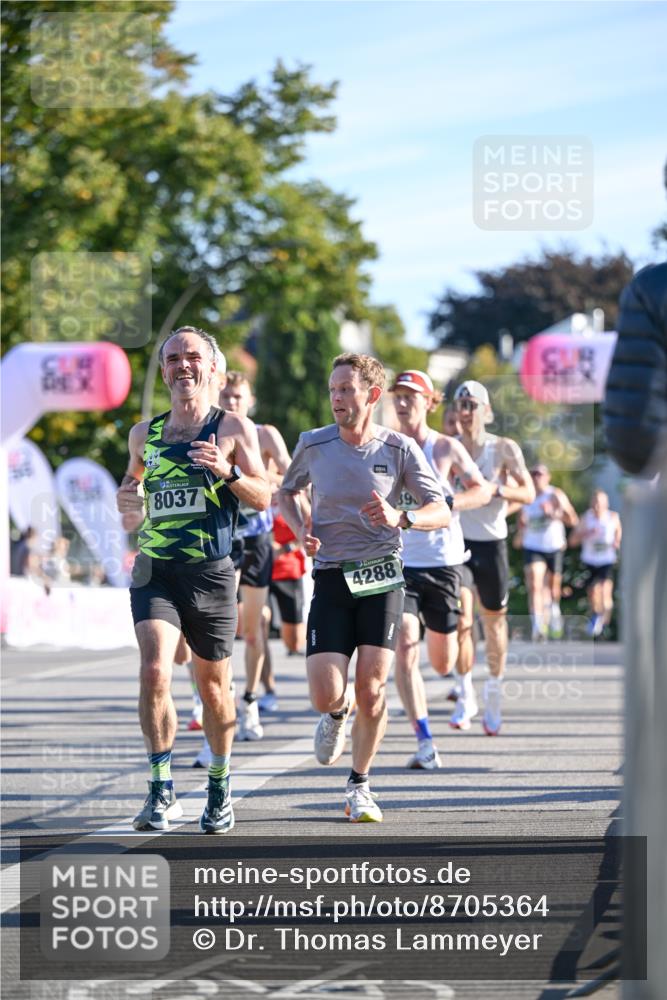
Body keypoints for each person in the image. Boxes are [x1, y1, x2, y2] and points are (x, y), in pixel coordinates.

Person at [279, 353, 450, 822]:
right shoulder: (314, 444)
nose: (336, 398)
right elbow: (286, 491)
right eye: (333, 389)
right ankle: (337, 713)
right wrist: (300, 529)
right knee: (325, 693)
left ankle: (359, 785)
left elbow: (442, 509)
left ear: (371, 395)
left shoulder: (398, 449)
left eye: (346, 389)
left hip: (382, 573)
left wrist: (403, 517)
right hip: (332, 573)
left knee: (373, 687)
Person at [116, 326, 270, 834]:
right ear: (163, 371)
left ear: (211, 368)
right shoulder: (145, 434)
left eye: (192, 357)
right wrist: (127, 498)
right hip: (155, 570)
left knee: (214, 688)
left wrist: (228, 472)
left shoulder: (232, 428)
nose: (183, 366)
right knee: (155, 669)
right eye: (173, 359)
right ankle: (161, 790)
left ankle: (219, 787)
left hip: (211, 573)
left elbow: (263, 497)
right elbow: (133, 482)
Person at [390, 370, 494, 768]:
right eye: (398, 396)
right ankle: (424, 740)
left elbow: (482, 489)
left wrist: (450, 504)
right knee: (403, 647)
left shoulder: (446, 448)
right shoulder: (385, 446)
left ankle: (456, 683)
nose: (403, 403)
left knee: (442, 661)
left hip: (444, 564)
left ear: (430, 402)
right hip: (401, 563)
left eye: (411, 396)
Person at [452, 380, 535, 735]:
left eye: (472, 404)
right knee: (461, 620)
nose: (466, 411)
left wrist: (497, 491)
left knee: (494, 623)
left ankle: (495, 692)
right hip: (458, 545)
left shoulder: (503, 448)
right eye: (461, 405)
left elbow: (529, 491)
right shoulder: (448, 448)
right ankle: (465, 692)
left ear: (486, 410)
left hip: (493, 544)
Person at [219, 372, 292, 741]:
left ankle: (250, 699)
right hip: (222, 539)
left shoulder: (265, 434)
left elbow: (292, 473)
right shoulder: (211, 433)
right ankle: (220, 699)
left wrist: (261, 479)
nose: (231, 402)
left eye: (238, 397)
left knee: (253, 630)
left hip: (258, 538)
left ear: (251, 400)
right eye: (226, 396)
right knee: (219, 627)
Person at [519, 465, 578, 641]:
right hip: (533, 546)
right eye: (533, 474)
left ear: (548, 477)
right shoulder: (526, 497)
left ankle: (554, 609)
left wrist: (553, 514)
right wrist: (521, 527)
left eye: (540, 474)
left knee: (553, 589)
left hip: (554, 546)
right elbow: (521, 525)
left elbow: (573, 519)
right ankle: (538, 625)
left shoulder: (555, 495)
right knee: (535, 584)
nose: (536, 477)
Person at [568, 489, 621, 637]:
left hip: (606, 561)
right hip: (590, 561)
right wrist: (586, 534)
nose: (597, 506)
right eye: (595, 502)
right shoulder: (586, 518)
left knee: (604, 590)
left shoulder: (613, 517)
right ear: (591, 504)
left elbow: (618, 534)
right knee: (593, 592)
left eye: (600, 502)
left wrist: (617, 542)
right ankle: (597, 615)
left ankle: (605, 622)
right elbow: (572, 541)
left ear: (606, 503)